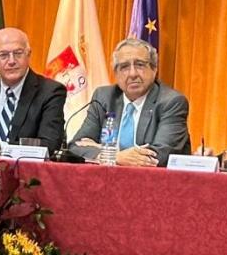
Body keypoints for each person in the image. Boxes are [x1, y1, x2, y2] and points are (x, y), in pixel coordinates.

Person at [69, 37, 190, 166]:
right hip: (106, 181)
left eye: (140, 65)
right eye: (124, 67)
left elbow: (161, 154)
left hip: (153, 183)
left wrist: (105, 152)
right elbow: (76, 147)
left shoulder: (171, 102)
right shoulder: (103, 97)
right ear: (116, 73)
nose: (132, 74)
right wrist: (116, 156)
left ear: (154, 69)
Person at [0, 27, 66, 153]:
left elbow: (49, 145)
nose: (11, 61)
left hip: (24, 171)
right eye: (3, 55)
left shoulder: (50, 92)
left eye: (18, 53)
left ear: (28, 54)